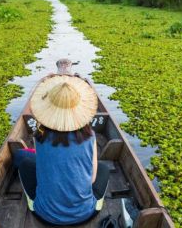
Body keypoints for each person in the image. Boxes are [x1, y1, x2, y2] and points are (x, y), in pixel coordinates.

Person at [13, 74, 110, 225]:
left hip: (45, 215)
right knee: (103, 168)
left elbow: (44, 166)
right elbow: (91, 179)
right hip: (85, 214)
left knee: (24, 163)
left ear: (48, 110)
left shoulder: (40, 135)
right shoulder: (90, 136)